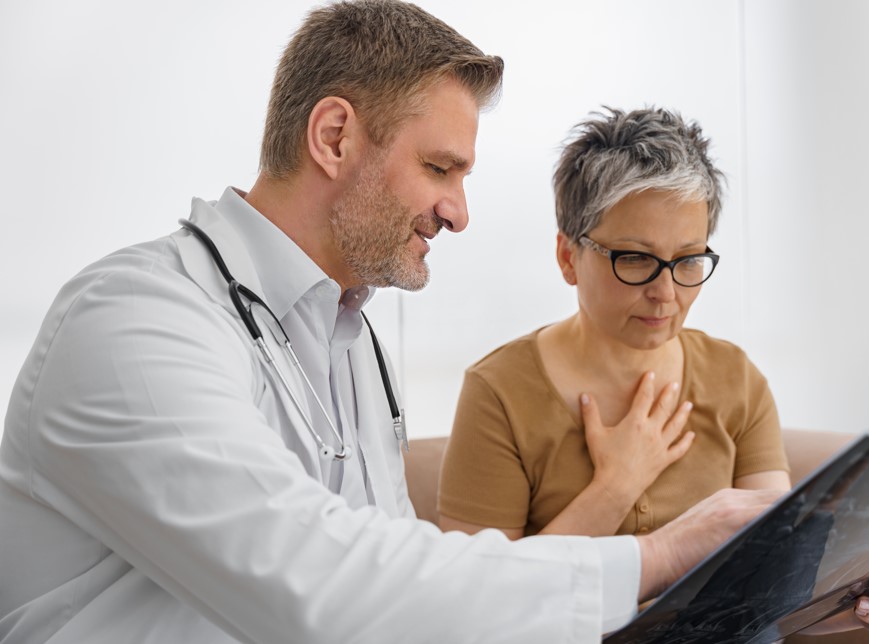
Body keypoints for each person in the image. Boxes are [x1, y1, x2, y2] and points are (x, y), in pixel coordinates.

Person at [0, 3, 795, 643]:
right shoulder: (137, 320)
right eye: (439, 168)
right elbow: (321, 589)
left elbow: (412, 587)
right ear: (335, 136)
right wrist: (654, 557)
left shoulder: (349, 340)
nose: (458, 211)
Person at [437, 107, 869, 639]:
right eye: (635, 258)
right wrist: (615, 486)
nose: (666, 292)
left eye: (689, 259)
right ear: (568, 255)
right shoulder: (500, 392)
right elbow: (477, 613)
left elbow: (778, 595)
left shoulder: (734, 379)